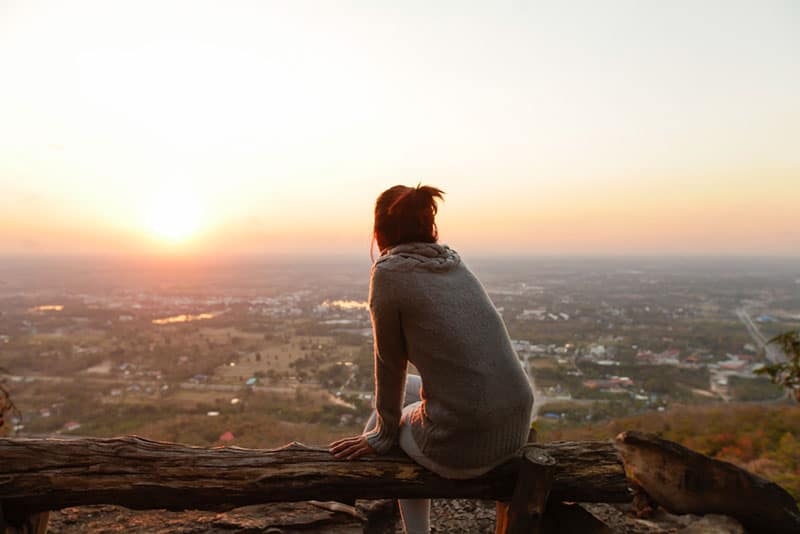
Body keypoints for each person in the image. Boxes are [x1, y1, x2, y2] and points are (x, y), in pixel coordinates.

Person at [329, 184, 534, 534]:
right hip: (515, 423)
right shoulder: (453, 263)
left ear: (378, 232)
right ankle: (348, 494)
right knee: (397, 405)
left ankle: (368, 511)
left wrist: (382, 435)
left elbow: (389, 365)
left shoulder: (389, 273)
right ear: (431, 228)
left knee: (389, 436)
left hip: (472, 437)